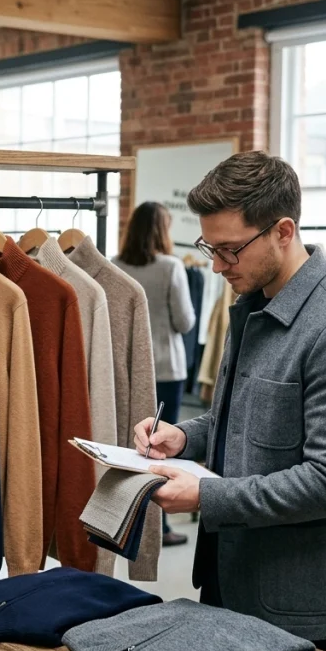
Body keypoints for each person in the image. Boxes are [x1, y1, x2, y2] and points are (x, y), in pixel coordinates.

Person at [134, 151, 326, 650]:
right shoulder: (253, 304)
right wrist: (184, 436)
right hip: (230, 580)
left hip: (298, 607)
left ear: (284, 231)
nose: (216, 265)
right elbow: (241, 417)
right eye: (210, 247)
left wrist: (205, 497)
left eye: (230, 250)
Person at [113, 202, 196, 547]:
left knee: (128, 446)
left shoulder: (113, 266)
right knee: (161, 451)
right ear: (163, 230)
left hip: (127, 368)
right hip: (165, 367)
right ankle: (158, 529)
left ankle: (121, 520)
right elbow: (185, 321)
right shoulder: (171, 267)